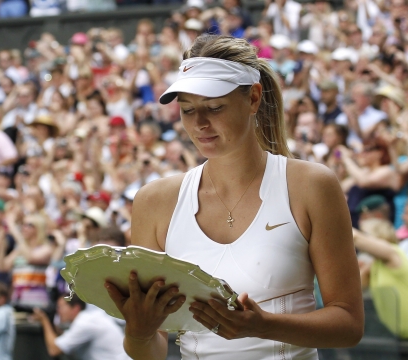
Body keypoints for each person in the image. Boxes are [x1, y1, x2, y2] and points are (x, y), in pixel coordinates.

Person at [104, 35, 364, 360]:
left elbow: (349, 324)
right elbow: (151, 349)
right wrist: (138, 332)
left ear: (254, 98)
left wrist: (262, 325)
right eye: (187, 110)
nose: (199, 124)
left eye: (214, 108)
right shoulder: (153, 201)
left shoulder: (312, 185)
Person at [33, 295, 128, 359]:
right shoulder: (89, 317)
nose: (58, 312)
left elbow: (54, 350)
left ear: (75, 308)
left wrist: (44, 321)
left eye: (60, 307)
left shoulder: (85, 323)